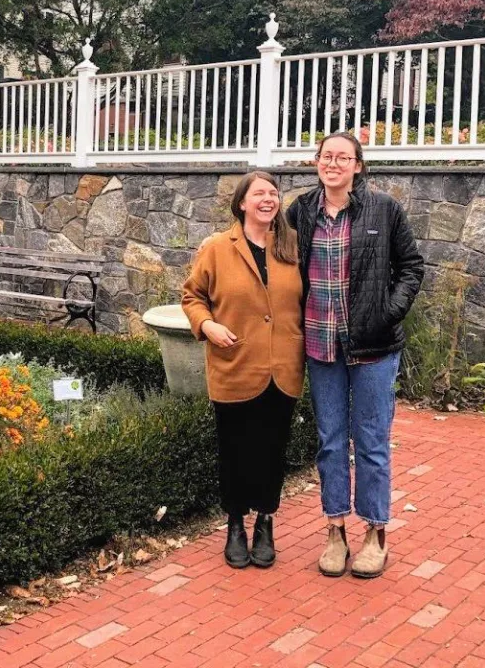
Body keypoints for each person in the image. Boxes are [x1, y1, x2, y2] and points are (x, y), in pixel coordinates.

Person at [286, 131, 424, 579]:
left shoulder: (383, 209)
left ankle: (375, 534)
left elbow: (411, 266)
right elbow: (279, 263)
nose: (334, 163)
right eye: (327, 156)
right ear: (316, 162)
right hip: (320, 346)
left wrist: (390, 312)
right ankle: (334, 531)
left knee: (371, 442)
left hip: (373, 348)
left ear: (358, 166)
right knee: (329, 442)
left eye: (344, 157)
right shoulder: (301, 211)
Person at [182, 171, 305, 569]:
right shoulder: (218, 247)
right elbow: (192, 296)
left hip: (283, 368)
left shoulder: (292, 246)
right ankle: (235, 523)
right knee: (234, 451)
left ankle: (265, 522)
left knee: (272, 451)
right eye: (259, 194)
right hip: (234, 365)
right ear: (242, 204)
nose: (268, 199)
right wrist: (207, 325)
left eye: (273, 193)